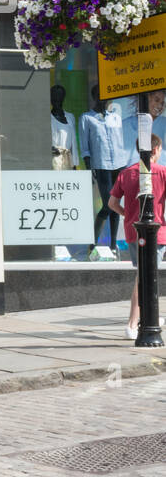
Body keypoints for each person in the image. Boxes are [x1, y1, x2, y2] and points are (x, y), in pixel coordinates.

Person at [108, 134, 166, 340]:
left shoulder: (126, 173)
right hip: (156, 232)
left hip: (133, 231)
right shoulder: (161, 172)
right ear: (156, 150)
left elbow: (112, 203)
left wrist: (128, 215)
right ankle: (133, 323)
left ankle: (152, 315)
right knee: (144, 276)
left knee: (146, 273)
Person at [81, 88, 127, 251]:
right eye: (99, 96)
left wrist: (125, 166)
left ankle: (113, 244)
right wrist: (89, 166)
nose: (104, 100)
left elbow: (121, 141)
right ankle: (92, 242)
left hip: (119, 164)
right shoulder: (86, 118)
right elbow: (85, 145)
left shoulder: (115, 117)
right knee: (108, 205)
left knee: (116, 205)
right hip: (101, 164)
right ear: (94, 97)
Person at [50, 85, 78, 171]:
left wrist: (75, 163)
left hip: (68, 160)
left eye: (59, 96)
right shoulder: (47, 118)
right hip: (54, 160)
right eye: (54, 96)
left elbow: (74, 143)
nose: (57, 99)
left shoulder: (70, 117)